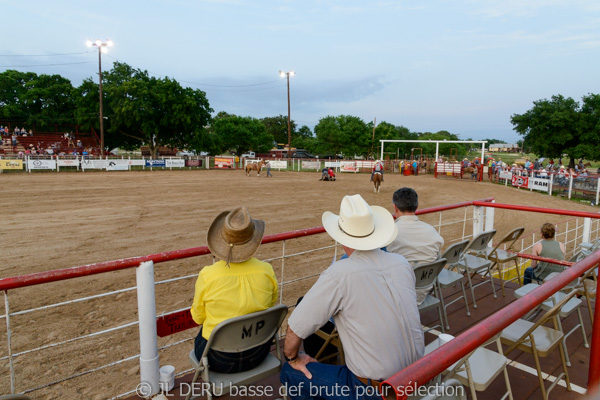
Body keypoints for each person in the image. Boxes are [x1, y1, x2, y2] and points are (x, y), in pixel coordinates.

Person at [280, 194, 423, 400]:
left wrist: (293, 358)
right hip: (417, 374)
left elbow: (295, 329)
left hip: (375, 390)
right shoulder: (401, 263)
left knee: (290, 372)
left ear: (340, 236)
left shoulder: (340, 273)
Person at [190, 207, 278, 373]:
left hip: (219, 359)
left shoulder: (208, 275)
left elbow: (198, 317)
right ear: (253, 241)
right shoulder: (267, 270)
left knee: (204, 333)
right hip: (258, 352)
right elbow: (271, 304)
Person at [387, 187, 444, 304]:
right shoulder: (431, 231)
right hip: (425, 290)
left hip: (399, 296)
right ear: (417, 206)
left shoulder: (390, 233)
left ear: (395, 207)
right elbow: (438, 259)